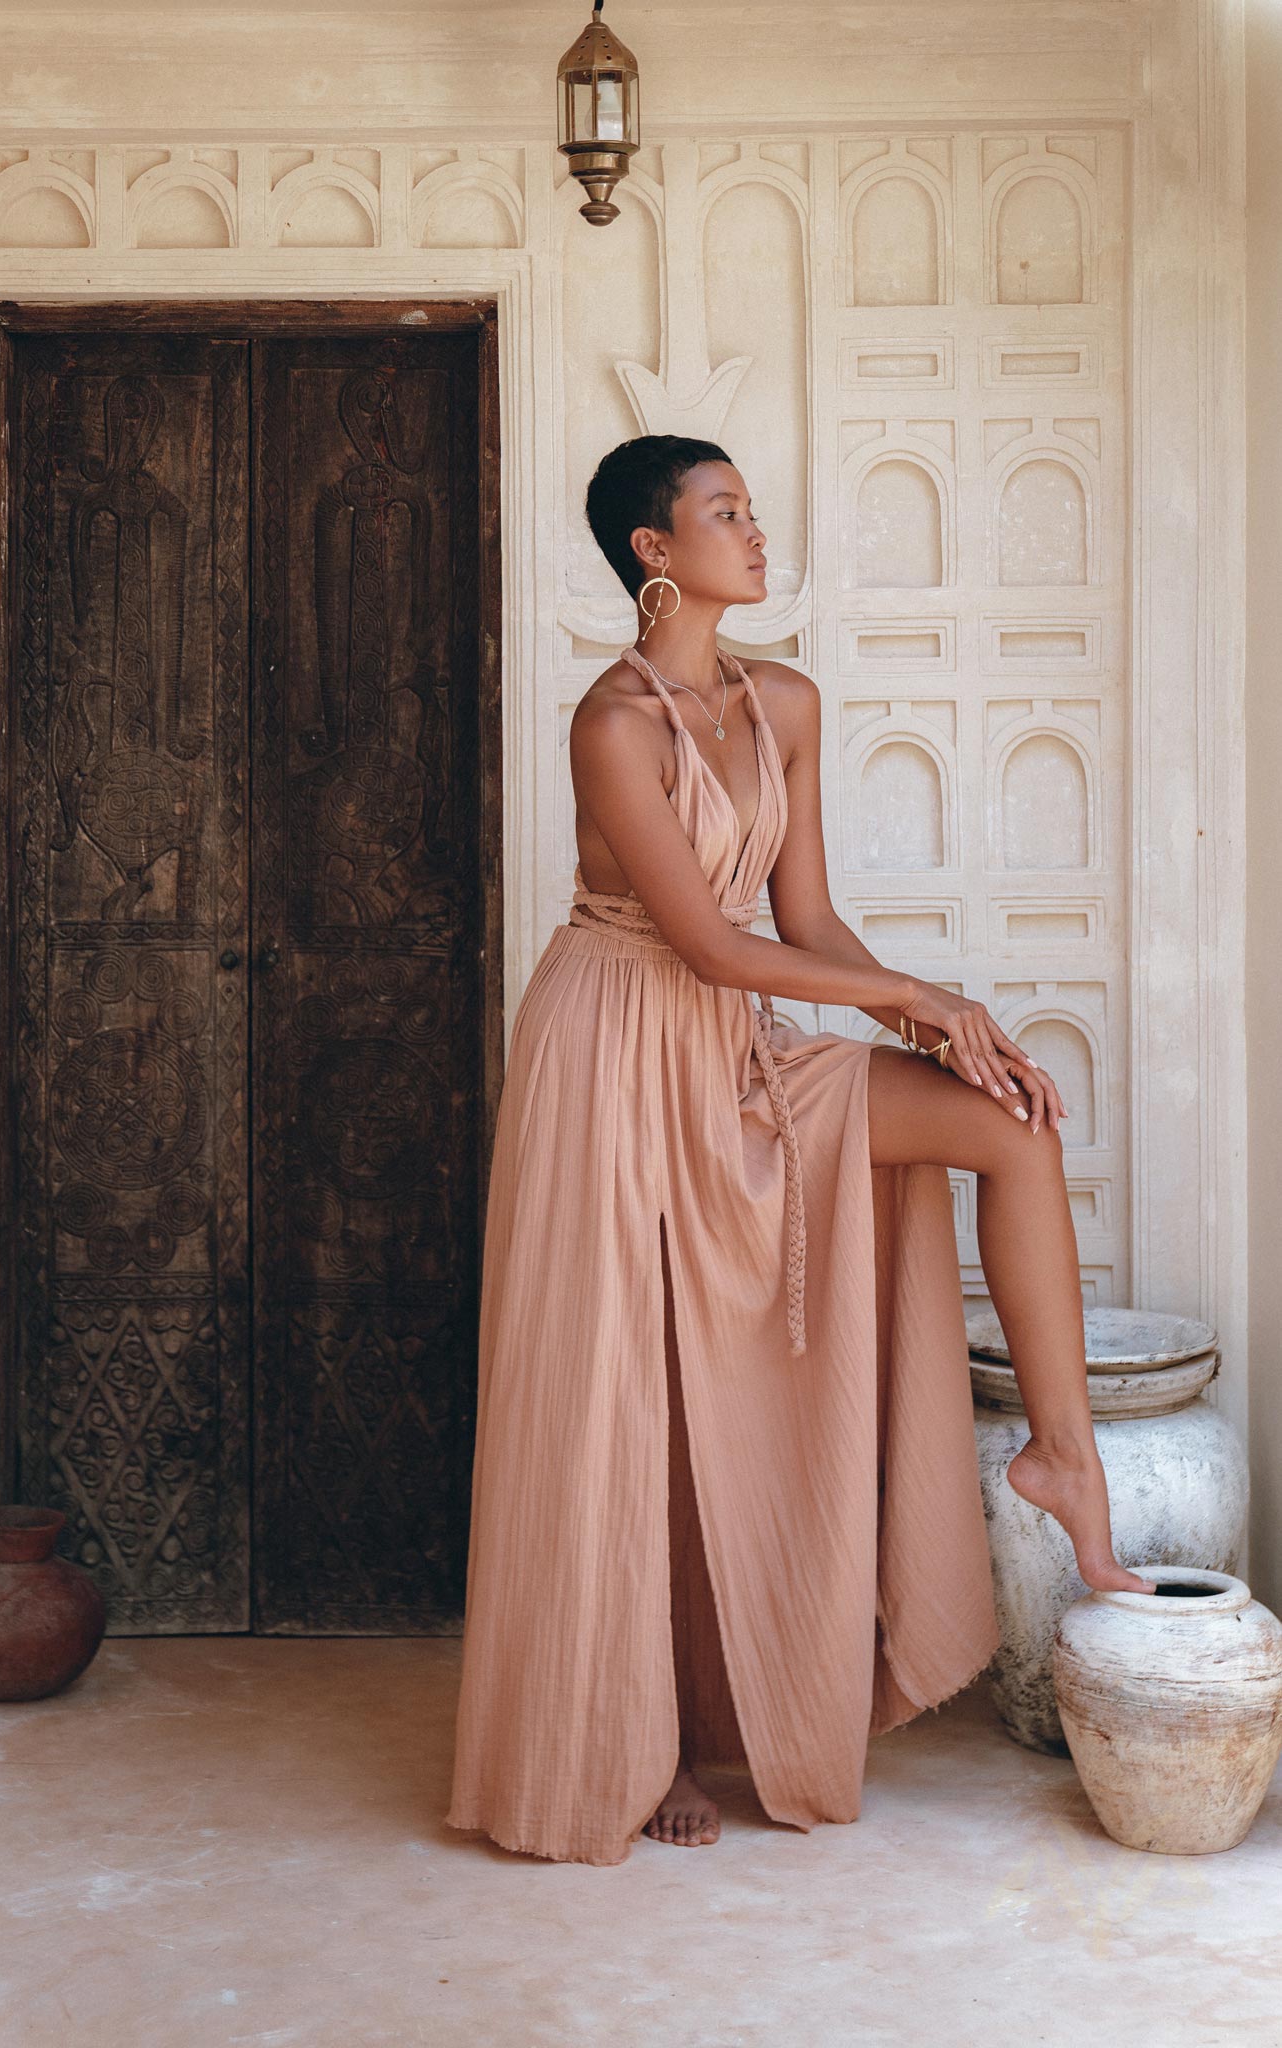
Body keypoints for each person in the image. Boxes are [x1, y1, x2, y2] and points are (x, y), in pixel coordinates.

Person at [444, 433, 1153, 1868]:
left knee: (1002, 1122)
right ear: (653, 552)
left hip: (742, 1044)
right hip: (613, 1048)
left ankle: (1059, 1463)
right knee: (622, 1386)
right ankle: (625, 1742)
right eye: (723, 515)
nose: (755, 536)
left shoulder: (786, 702)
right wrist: (911, 998)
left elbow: (804, 922)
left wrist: (942, 1023)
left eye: (753, 511)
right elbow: (704, 944)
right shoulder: (611, 724)